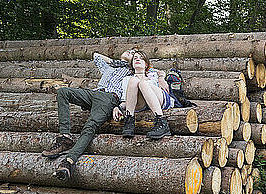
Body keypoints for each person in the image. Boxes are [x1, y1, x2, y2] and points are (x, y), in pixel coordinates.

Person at [41, 50, 135, 181]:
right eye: (129, 51)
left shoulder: (133, 72)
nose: (130, 52)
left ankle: (68, 161)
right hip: (93, 93)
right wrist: (119, 62)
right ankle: (65, 138)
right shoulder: (109, 67)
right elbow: (96, 55)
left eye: (133, 53)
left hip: (109, 99)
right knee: (63, 92)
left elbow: (148, 75)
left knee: (90, 126)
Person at [112, 50, 172, 139]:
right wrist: (118, 107)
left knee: (143, 83)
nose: (138, 60)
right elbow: (126, 99)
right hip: (141, 104)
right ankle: (129, 120)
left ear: (146, 64)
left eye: (141, 58)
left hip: (158, 100)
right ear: (132, 64)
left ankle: (161, 121)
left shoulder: (153, 74)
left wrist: (161, 78)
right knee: (133, 80)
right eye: (135, 58)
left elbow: (161, 73)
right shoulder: (127, 79)